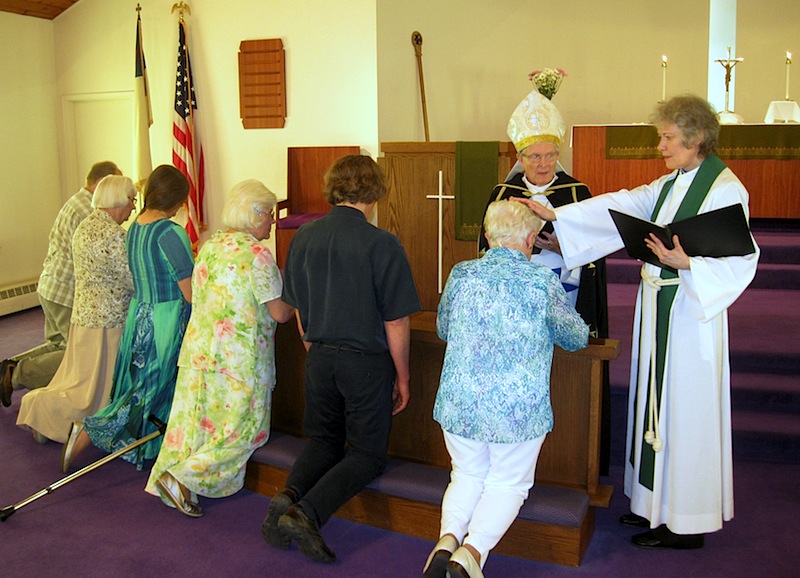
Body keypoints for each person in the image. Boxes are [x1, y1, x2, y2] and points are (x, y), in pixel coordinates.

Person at [518, 95, 760, 550]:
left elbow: (742, 260)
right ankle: (655, 505)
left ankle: (685, 523)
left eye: (668, 138)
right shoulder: (675, 182)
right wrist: (561, 216)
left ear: (696, 137)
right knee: (655, 404)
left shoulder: (725, 189)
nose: (661, 147)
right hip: (659, 308)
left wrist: (687, 263)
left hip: (689, 317)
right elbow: (629, 204)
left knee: (682, 410)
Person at [261, 154, 421, 564]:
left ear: (334, 188)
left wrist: (315, 351)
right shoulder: (381, 243)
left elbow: (297, 307)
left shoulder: (304, 238)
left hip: (319, 358)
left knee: (323, 441)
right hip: (364, 362)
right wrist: (403, 377)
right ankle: (307, 514)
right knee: (367, 454)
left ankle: (286, 498)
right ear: (374, 192)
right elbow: (396, 319)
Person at [422, 200, 588, 578]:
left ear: (487, 236)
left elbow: (444, 329)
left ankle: (447, 540)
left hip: (460, 402)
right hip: (516, 411)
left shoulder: (461, 274)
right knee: (508, 483)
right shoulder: (541, 281)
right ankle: (472, 553)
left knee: (464, 474)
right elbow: (576, 337)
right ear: (531, 239)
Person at [478, 87, 611, 472]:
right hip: (514, 310)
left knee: (562, 379)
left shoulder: (577, 193)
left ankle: (567, 456)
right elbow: (487, 248)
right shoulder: (503, 194)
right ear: (519, 157)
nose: (543, 163)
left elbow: (594, 252)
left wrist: (561, 245)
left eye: (550, 155)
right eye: (534, 156)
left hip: (564, 297)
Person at [145, 180, 294, 518]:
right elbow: (280, 314)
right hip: (241, 361)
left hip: (201, 353)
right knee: (244, 430)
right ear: (254, 214)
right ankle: (184, 476)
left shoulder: (211, 245)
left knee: (198, 424)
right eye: (269, 214)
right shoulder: (257, 255)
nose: (272, 221)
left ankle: (178, 477)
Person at [60, 165, 194, 473]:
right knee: (146, 390)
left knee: (137, 384)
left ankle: (152, 446)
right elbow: (188, 292)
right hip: (165, 319)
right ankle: (91, 430)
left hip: (139, 315)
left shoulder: (135, 226)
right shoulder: (170, 233)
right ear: (175, 200)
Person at [16, 175, 136, 444]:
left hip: (84, 316)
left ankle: (41, 409)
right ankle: (53, 417)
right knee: (91, 390)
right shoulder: (115, 236)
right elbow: (131, 278)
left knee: (74, 380)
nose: (132, 208)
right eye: (131, 201)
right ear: (119, 200)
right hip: (108, 320)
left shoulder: (86, 226)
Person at [2, 161, 121, 407]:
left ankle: (9, 367)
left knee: (58, 346)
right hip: (67, 291)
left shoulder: (76, 202)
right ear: (101, 184)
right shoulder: (89, 210)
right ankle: (16, 375)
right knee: (75, 356)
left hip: (52, 285)